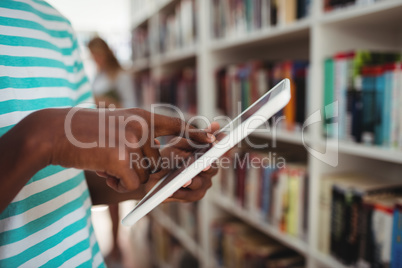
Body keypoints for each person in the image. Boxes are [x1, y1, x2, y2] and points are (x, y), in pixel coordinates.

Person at [0, 1, 218, 267]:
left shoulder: (56, 25)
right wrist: (44, 138)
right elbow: (54, 139)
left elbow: (69, 183)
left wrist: (148, 179)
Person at [87, 36, 136, 265]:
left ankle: (117, 246)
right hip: (99, 137)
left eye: (97, 54)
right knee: (106, 189)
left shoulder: (121, 76)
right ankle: (112, 245)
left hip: (117, 137)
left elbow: (132, 108)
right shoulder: (97, 76)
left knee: (116, 193)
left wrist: (106, 103)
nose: (95, 59)